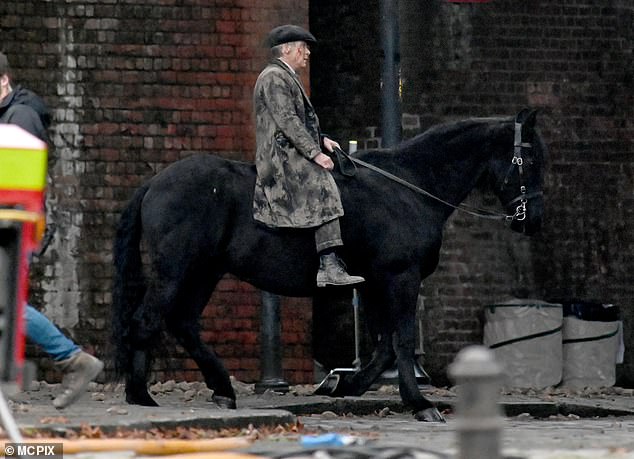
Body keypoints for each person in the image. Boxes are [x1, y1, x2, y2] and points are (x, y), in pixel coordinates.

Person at [0, 51, 103, 409]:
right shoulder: (10, 115)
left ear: (3, 80)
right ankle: (72, 360)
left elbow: (14, 183)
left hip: (15, 226)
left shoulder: (20, 118)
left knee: (8, 304)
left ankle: (74, 360)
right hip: (12, 223)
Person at [252, 25, 365, 287]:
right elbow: (288, 121)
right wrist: (315, 154)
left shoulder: (286, 77)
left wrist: (322, 139)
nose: (308, 53)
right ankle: (329, 264)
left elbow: (297, 121)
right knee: (323, 183)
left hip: (290, 148)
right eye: (303, 47)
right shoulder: (274, 78)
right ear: (287, 49)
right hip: (279, 158)